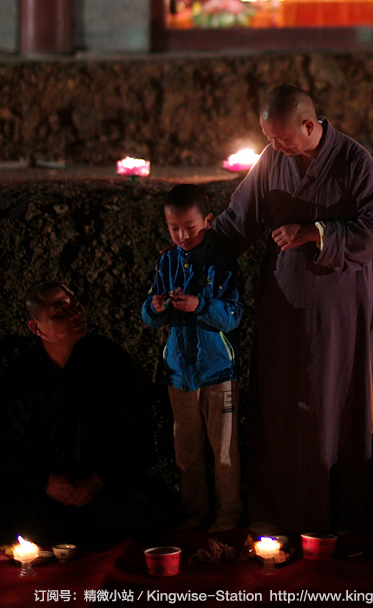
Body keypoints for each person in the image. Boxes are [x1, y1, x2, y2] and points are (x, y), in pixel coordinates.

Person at [213, 85, 373, 535]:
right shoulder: (273, 161)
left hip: (337, 308)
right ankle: (280, 516)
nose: (274, 148)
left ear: (309, 126)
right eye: (269, 139)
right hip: (282, 305)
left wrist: (314, 232)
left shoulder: (354, 162)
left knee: (333, 405)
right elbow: (239, 219)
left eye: (282, 138)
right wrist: (194, 253)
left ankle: (338, 520)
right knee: (282, 404)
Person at [0, 282, 154, 548]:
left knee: (142, 507)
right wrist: (45, 479)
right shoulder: (22, 374)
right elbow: (3, 441)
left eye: (75, 305)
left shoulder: (110, 360)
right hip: (44, 492)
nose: (75, 314)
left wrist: (98, 480)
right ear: (36, 328)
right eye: (59, 312)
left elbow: (136, 430)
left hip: (101, 489)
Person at [142, 184, 243, 533]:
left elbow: (233, 315)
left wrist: (201, 306)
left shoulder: (222, 261)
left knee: (224, 451)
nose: (182, 235)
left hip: (218, 370)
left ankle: (228, 514)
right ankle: (195, 512)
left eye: (190, 226)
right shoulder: (167, 260)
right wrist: (154, 308)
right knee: (186, 452)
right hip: (180, 372)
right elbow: (150, 311)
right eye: (174, 228)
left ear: (208, 221)